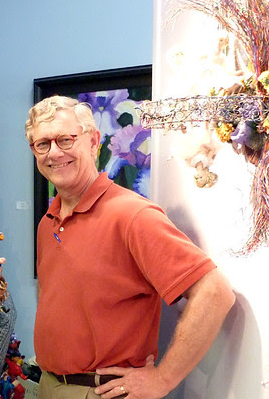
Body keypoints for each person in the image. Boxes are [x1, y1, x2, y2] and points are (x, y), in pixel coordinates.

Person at [25, 95, 235, 399]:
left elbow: (214, 292)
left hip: (101, 391)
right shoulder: (48, 222)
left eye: (65, 140)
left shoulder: (133, 215)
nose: (54, 153)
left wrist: (163, 379)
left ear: (93, 142)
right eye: (42, 144)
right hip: (49, 385)